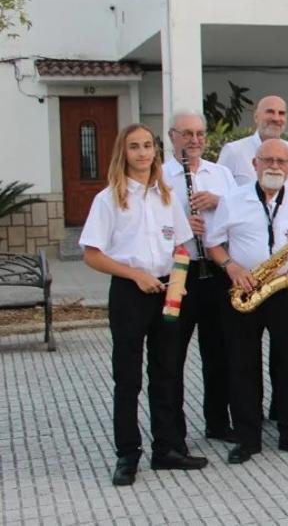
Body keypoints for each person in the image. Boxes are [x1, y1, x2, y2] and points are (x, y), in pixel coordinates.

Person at [81, 123, 207, 486]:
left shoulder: (166, 197)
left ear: (156, 151)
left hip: (167, 292)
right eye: (135, 147)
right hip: (130, 294)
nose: (142, 153)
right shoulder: (109, 199)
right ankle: (127, 454)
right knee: (128, 377)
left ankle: (167, 448)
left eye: (148, 146)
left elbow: (182, 247)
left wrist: (177, 286)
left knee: (167, 373)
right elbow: (92, 254)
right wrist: (134, 275)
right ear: (125, 152)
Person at [205, 138, 288, 464]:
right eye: (267, 160)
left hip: (287, 291)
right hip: (246, 289)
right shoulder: (233, 199)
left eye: (281, 162)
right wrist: (232, 267)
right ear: (254, 164)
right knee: (242, 365)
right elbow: (213, 243)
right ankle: (247, 438)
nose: (274, 166)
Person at [163, 111, 238, 445]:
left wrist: (218, 201)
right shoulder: (160, 176)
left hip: (218, 269)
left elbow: (241, 213)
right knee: (172, 352)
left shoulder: (220, 174)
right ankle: (173, 429)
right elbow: (152, 226)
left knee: (220, 349)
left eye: (200, 134)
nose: (194, 140)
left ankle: (218, 422)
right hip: (180, 270)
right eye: (187, 134)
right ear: (172, 137)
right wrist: (182, 226)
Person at [217, 95, 288, 187]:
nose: (276, 118)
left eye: (281, 113)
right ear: (256, 117)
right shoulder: (234, 151)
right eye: (270, 112)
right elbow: (218, 192)